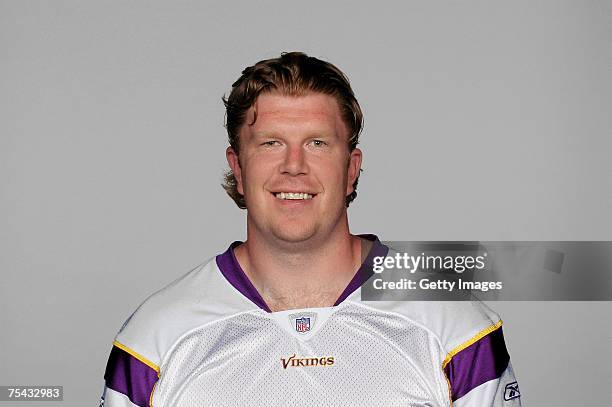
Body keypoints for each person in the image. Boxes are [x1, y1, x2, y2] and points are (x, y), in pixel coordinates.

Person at [101, 52, 521, 406]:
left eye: (318, 143)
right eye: (270, 143)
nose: (294, 166)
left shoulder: (456, 326)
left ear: (351, 169)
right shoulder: (155, 338)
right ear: (238, 168)